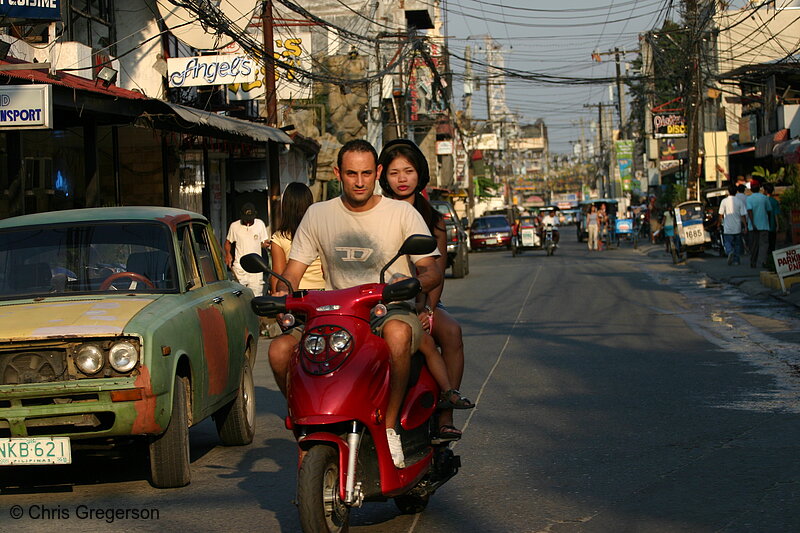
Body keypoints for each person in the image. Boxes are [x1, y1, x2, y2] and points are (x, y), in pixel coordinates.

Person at [274, 139, 443, 469]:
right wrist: (281, 301)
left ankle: (391, 424)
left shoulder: (402, 213)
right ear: (338, 173)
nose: (360, 181)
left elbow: (431, 269)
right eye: (352, 174)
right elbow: (291, 273)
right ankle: (305, 425)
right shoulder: (317, 214)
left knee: (397, 334)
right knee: (279, 352)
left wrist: (414, 283)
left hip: (388, 309)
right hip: (334, 312)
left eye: (367, 173)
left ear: (378, 172)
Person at [379, 138, 474, 443]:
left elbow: (437, 271)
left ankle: (445, 415)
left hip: (422, 301)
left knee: (452, 332)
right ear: (384, 176)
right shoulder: (375, 213)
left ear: (419, 173)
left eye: (408, 171)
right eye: (394, 173)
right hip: (380, 302)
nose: (402, 179)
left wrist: (427, 309)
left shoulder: (434, 219)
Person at [225, 203, 269, 296]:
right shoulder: (234, 226)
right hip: (240, 268)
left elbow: (263, 243)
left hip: (256, 268)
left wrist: (268, 245)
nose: (248, 222)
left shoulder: (260, 224)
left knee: (256, 295)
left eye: (250, 219)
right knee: (239, 297)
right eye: (246, 219)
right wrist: (228, 254)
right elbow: (228, 242)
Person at [746, 180, 773, 269]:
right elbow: (769, 210)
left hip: (752, 227)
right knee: (764, 245)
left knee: (754, 245)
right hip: (764, 225)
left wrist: (753, 223)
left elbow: (749, 211)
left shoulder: (749, 199)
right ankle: (763, 262)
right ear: (759, 188)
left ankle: (753, 262)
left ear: (751, 189)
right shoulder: (764, 198)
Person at [719, 183, 748, 266]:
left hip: (727, 227)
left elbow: (720, 214)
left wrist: (719, 223)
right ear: (736, 192)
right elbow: (743, 215)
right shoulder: (739, 202)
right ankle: (736, 260)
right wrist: (745, 226)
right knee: (737, 245)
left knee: (727, 243)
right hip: (737, 227)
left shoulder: (724, 201)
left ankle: (729, 251)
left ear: (728, 191)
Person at [764, 182, 780, 255]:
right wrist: (777, 225)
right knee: (772, 244)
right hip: (772, 225)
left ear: (765, 191)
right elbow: (776, 214)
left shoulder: (763, 200)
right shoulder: (774, 201)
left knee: (765, 244)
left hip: (764, 226)